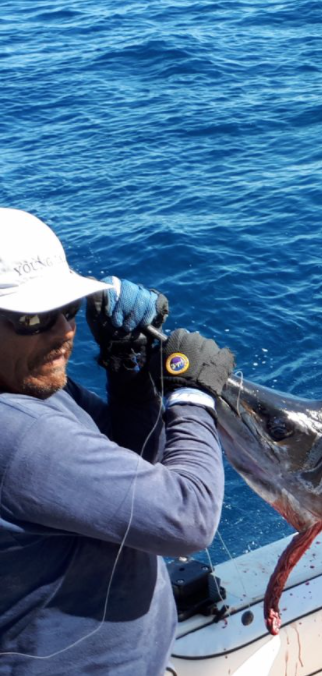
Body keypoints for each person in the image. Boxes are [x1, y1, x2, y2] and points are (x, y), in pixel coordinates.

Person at [0, 208, 235, 675]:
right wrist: (192, 397)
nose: (64, 330)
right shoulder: (18, 437)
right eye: (34, 319)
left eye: (67, 310)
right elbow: (188, 518)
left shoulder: (28, 386)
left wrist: (128, 374)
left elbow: (130, 469)